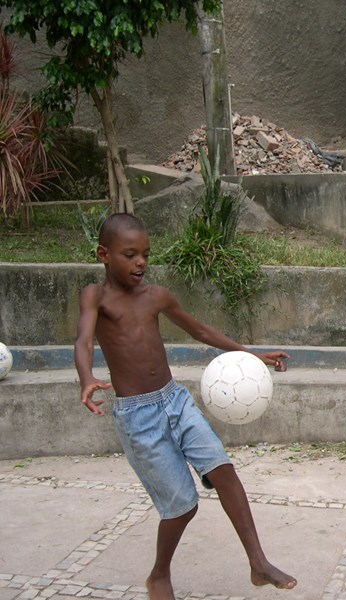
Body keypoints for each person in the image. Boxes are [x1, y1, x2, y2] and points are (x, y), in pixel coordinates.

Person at [74, 213, 297, 599]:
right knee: (181, 506)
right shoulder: (96, 296)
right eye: (130, 254)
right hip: (138, 416)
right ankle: (159, 575)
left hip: (174, 400)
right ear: (104, 255)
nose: (141, 262)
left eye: (146, 254)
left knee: (223, 470)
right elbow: (83, 340)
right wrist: (86, 378)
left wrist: (252, 355)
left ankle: (259, 563)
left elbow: (201, 330)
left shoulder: (156, 296)